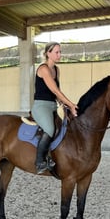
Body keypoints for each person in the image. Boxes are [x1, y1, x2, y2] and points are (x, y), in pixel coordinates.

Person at [31, 42, 78, 174]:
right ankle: (40, 162)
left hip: (53, 105)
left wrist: (64, 106)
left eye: (60, 52)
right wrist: (71, 104)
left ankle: (55, 156)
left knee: (65, 126)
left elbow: (57, 94)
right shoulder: (43, 69)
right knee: (50, 129)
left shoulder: (56, 70)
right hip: (41, 106)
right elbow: (56, 90)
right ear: (48, 53)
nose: (59, 55)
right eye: (56, 52)